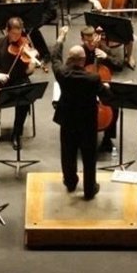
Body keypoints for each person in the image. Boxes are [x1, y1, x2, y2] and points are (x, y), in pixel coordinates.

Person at [52, 26, 107, 199]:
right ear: (83, 61)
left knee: (68, 153)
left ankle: (70, 182)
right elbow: (106, 97)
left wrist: (61, 38)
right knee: (89, 155)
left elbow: (55, 58)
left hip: (68, 120)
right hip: (87, 122)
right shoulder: (93, 78)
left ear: (69, 59)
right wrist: (106, 87)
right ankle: (89, 189)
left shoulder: (62, 74)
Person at [0, 17, 38, 148]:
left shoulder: (26, 45)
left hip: (19, 80)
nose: (17, 37)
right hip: (0, 81)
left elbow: (28, 71)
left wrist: (32, 61)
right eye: (14, 33)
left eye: (19, 33)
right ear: (7, 30)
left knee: (24, 101)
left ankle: (16, 133)